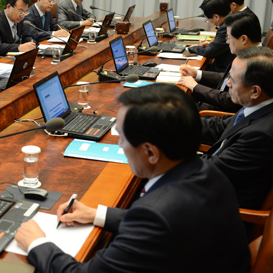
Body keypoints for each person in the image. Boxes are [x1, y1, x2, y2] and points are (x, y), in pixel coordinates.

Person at [15, 84, 250, 272]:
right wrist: (95, 214)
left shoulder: (155, 215)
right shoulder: (205, 171)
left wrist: (37, 243)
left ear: (150, 152)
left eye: (123, 139)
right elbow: (164, 223)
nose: (119, 144)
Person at [200, 46, 273, 211]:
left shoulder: (261, 135)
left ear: (255, 91)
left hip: (218, 208)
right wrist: (167, 124)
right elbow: (220, 126)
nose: (227, 84)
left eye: (233, 79)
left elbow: (209, 171)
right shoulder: (259, 104)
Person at [178, 11, 262, 112]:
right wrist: (197, 74)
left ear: (243, 39)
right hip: (215, 104)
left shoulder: (255, 65)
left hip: (219, 114)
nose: (227, 42)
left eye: (229, 37)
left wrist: (194, 86)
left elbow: (227, 100)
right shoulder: (249, 55)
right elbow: (226, 79)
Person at [187, 0, 234, 72]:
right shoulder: (232, 19)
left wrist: (193, 48)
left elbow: (210, 52)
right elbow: (222, 46)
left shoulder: (226, 27)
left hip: (222, 71)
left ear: (216, 17)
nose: (209, 22)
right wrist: (212, 45)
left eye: (208, 19)